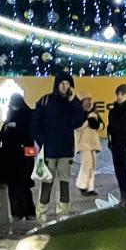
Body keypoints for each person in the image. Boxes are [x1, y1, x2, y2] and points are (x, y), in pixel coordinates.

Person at [33, 70, 86, 218]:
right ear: (56, 85)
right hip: (49, 151)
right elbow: (35, 123)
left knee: (64, 184)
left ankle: (63, 214)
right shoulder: (46, 101)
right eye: (62, 83)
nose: (64, 86)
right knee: (46, 185)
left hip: (65, 151)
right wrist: (42, 141)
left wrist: (74, 101)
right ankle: (41, 215)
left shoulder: (72, 103)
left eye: (67, 83)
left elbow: (79, 120)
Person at [0, 91, 36, 220]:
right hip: (13, 157)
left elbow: (29, 135)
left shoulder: (25, 116)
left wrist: (16, 126)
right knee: (17, 186)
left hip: (20, 157)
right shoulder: (13, 116)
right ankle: (20, 212)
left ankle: (24, 212)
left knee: (21, 185)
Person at [74, 96, 104, 197]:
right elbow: (77, 126)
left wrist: (95, 122)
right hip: (83, 143)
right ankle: (82, 185)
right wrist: (88, 121)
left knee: (93, 166)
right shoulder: (79, 115)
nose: (88, 104)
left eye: (90, 103)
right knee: (86, 165)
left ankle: (90, 187)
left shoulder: (94, 114)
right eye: (86, 103)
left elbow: (101, 126)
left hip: (93, 144)